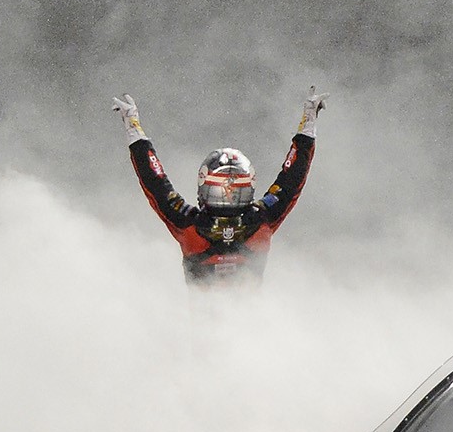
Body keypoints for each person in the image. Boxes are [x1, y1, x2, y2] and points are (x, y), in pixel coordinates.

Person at [112, 86, 325, 285]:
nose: (228, 195)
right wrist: (308, 123)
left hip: (205, 323)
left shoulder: (189, 224)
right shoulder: (262, 219)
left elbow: (154, 181)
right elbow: (292, 178)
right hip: (256, 323)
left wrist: (133, 127)